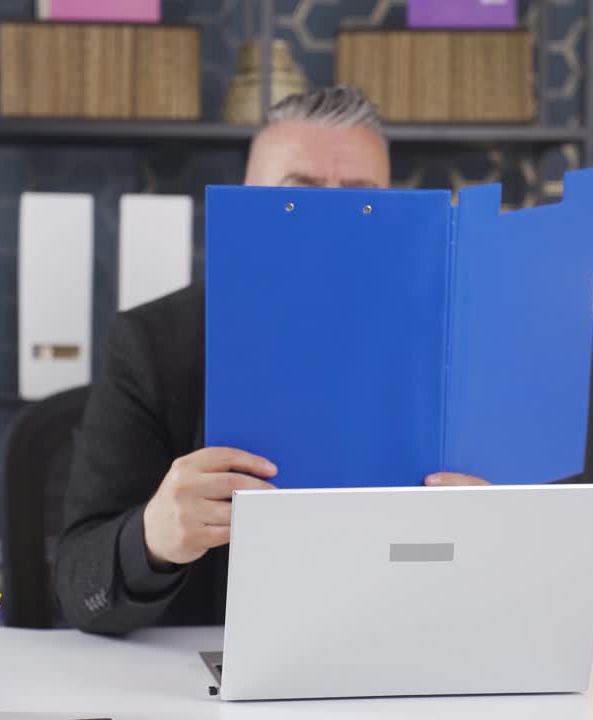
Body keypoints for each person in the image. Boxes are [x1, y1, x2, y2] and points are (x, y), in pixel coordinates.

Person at [54, 86, 487, 636]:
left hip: (410, 652)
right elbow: (76, 582)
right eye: (297, 198)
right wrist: (154, 537)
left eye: (363, 198)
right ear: (246, 203)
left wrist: (497, 536)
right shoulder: (154, 343)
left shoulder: (459, 342)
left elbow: (545, 561)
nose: (332, 221)